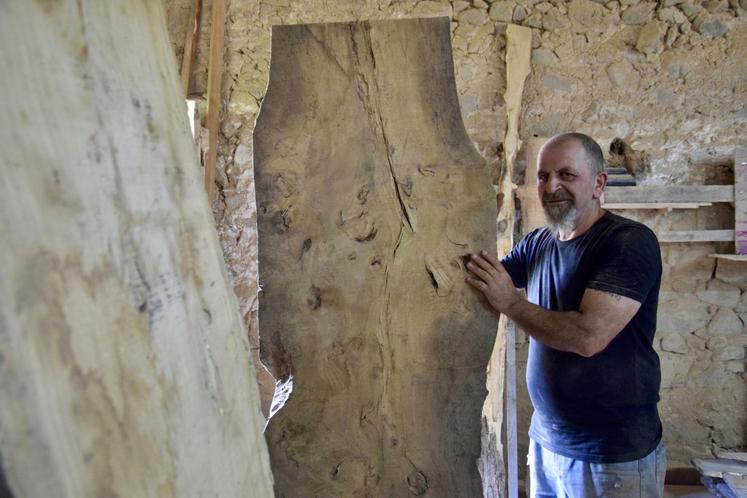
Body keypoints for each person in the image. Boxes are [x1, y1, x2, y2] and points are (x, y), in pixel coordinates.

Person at [466, 133, 666, 498]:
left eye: (567, 175)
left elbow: (588, 337)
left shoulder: (627, 243)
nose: (551, 186)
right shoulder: (539, 243)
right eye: (543, 176)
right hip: (547, 441)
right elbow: (487, 282)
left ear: (599, 183)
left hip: (611, 453)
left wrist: (510, 303)